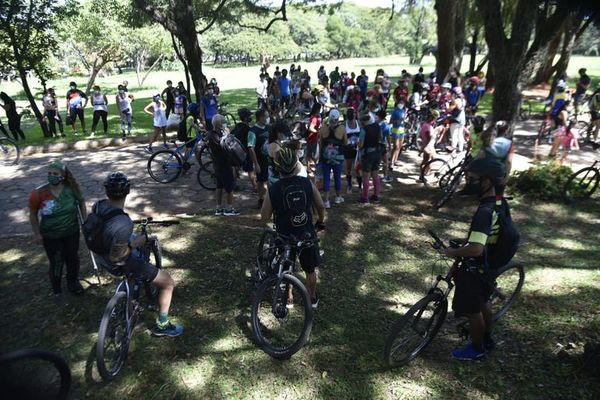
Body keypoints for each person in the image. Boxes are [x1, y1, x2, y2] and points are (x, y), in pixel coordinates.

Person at [94, 172, 184, 337]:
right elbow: (118, 256)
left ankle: (131, 287)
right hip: (117, 261)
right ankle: (163, 326)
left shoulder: (99, 206)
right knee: (168, 283)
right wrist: (136, 243)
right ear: (128, 191)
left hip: (101, 255)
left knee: (132, 243)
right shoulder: (123, 223)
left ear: (106, 192)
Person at [442, 158, 512, 361]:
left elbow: (475, 249)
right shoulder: (499, 202)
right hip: (491, 262)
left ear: (487, 181)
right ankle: (488, 338)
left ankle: (477, 348)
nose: (467, 182)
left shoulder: (484, 212)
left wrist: (452, 253)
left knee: (473, 311)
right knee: (482, 303)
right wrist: (467, 239)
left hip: (478, 265)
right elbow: (492, 232)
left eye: (471, 179)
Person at [260, 147, 326, 308]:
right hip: (306, 234)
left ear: (278, 167)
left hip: (285, 235)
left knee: (287, 268)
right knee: (310, 269)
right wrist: (320, 222)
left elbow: (264, 216)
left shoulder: (273, 189)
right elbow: (321, 206)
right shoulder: (307, 183)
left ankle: (289, 297)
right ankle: (312, 297)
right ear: (296, 165)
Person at [28, 161, 86, 295]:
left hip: (71, 232)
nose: (52, 176)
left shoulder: (71, 189)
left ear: (63, 175)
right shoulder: (39, 193)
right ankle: (56, 286)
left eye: (55, 173)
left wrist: (84, 222)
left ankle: (73, 282)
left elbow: (82, 203)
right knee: (57, 261)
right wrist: (37, 233)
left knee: (72, 258)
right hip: (51, 235)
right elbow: (32, 213)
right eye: (49, 173)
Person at [207, 115, 240, 216]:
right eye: (223, 122)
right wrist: (227, 135)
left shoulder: (213, 134)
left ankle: (218, 208)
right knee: (229, 188)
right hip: (223, 165)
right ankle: (229, 209)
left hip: (218, 165)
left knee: (219, 186)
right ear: (219, 124)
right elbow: (224, 147)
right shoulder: (215, 136)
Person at [319, 109, 347, 208]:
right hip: (338, 157)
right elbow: (345, 142)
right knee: (337, 177)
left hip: (325, 157)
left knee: (326, 178)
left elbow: (321, 143)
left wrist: (320, 157)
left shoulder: (323, 128)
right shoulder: (342, 128)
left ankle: (326, 201)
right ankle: (338, 197)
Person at [358, 112, 382, 204]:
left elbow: (361, 145)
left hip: (367, 155)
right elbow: (380, 138)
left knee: (366, 176)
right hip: (377, 153)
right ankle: (376, 195)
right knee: (375, 175)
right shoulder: (377, 126)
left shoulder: (364, 130)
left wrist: (358, 144)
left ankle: (365, 197)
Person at [232, 108, 257, 189]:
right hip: (245, 153)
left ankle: (233, 185)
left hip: (236, 152)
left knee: (236, 168)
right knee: (250, 170)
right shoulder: (248, 129)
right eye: (249, 116)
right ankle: (255, 187)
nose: (250, 117)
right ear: (245, 118)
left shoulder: (237, 126)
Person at [250, 109, 271, 208]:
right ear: (260, 117)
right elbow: (251, 148)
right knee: (261, 181)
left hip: (270, 159)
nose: (267, 118)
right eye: (266, 116)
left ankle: (270, 198)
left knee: (270, 179)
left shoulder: (268, 128)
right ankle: (261, 199)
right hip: (260, 160)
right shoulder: (253, 131)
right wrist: (256, 163)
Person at [418, 110, 440, 182]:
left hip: (429, 146)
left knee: (433, 158)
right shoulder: (428, 127)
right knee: (426, 161)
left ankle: (428, 172)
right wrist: (434, 134)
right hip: (428, 146)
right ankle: (422, 175)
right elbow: (429, 137)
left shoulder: (426, 125)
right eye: (434, 119)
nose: (434, 120)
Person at [343, 107, 361, 193]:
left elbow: (362, 134)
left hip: (357, 149)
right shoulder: (344, 124)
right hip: (348, 149)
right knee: (349, 168)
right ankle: (349, 185)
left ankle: (360, 185)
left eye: (353, 114)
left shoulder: (359, 123)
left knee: (358, 168)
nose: (352, 116)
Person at [306, 102, 322, 177]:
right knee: (316, 155)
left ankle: (308, 168)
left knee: (308, 154)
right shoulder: (315, 118)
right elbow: (311, 128)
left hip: (309, 138)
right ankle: (316, 169)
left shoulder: (313, 116)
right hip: (313, 139)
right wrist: (318, 132)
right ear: (318, 109)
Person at [448, 87, 466, 152]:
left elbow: (449, 109)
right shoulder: (463, 100)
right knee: (460, 135)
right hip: (462, 120)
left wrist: (449, 104)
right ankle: (461, 149)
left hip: (455, 120)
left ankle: (453, 151)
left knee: (454, 136)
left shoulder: (456, 101)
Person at [390, 100, 406, 168]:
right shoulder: (395, 111)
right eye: (400, 103)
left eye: (403, 103)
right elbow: (390, 121)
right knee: (395, 147)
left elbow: (403, 120)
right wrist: (397, 121)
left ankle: (395, 160)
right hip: (395, 130)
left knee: (399, 146)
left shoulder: (403, 111)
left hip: (401, 130)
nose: (401, 104)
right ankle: (391, 162)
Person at [378, 109, 392, 183]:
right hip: (383, 145)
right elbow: (388, 137)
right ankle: (385, 176)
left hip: (376, 145)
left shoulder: (375, 124)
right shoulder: (386, 126)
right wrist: (390, 146)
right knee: (385, 162)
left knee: (377, 161)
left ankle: (374, 175)